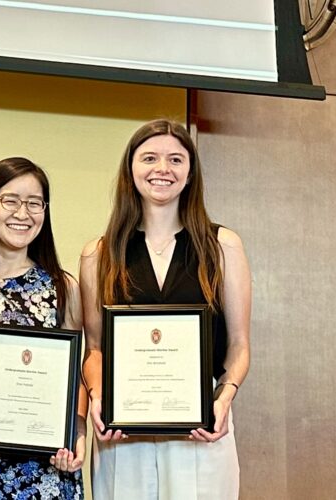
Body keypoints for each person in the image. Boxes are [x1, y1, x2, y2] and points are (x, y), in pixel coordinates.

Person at [81, 119, 253, 499]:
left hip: (201, 426)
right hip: (123, 431)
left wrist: (223, 398)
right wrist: (97, 396)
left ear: (190, 173)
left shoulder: (222, 245)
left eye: (176, 159)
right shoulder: (99, 253)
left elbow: (239, 345)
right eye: (150, 158)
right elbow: (94, 349)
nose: (163, 169)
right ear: (131, 169)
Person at [0, 157, 86, 499]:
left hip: (44, 467)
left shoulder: (62, 287)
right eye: (10, 200)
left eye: (34, 203)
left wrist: (77, 433)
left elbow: (74, 376)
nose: (22, 214)